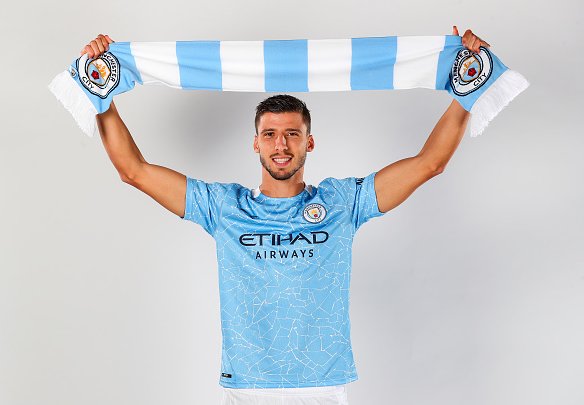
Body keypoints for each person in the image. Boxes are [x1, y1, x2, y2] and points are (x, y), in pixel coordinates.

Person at [81, 27, 489, 405]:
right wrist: (101, 92)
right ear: (256, 143)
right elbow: (133, 170)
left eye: (292, 134)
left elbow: (430, 163)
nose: (281, 145)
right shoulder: (224, 207)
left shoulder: (341, 203)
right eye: (270, 135)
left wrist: (467, 85)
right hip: (248, 389)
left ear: (309, 142)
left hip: (322, 388)